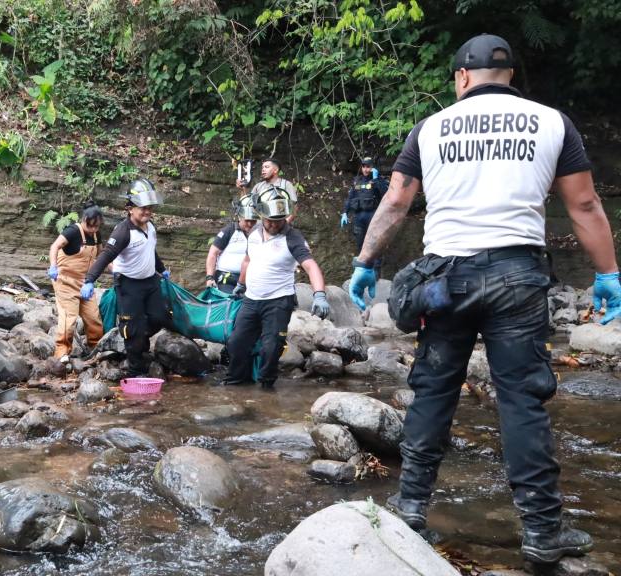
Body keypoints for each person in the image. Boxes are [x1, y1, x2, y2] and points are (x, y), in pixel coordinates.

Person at [347, 34, 621, 565]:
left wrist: (363, 263)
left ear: (461, 78)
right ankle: (542, 530)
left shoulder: (430, 128)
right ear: (510, 77)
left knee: (433, 393)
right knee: (521, 399)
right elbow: (584, 203)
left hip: (445, 279)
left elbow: (397, 200)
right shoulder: (551, 122)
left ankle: (410, 512)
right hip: (518, 277)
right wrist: (609, 273)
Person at [221, 185, 330, 388]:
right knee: (236, 342)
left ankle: (266, 385)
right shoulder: (253, 233)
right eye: (270, 220)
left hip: (278, 301)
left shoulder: (292, 237)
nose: (274, 224)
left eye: (278, 220)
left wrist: (319, 294)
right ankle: (236, 381)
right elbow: (247, 260)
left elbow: (310, 265)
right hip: (251, 300)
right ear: (261, 215)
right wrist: (240, 284)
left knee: (271, 347)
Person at [81, 178, 171, 377]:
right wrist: (89, 280)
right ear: (130, 208)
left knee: (160, 317)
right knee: (133, 329)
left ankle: (138, 340)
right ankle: (135, 372)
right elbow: (105, 256)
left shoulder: (150, 226)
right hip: (129, 286)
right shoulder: (123, 231)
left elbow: (151, 252)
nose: (147, 211)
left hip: (151, 282)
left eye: (149, 207)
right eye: (142, 208)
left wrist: (162, 269)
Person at [46, 204, 105, 363]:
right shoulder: (72, 231)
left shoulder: (96, 235)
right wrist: (53, 266)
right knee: (69, 317)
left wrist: (118, 270)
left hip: (86, 282)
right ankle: (62, 352)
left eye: (96, 226)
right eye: (90, 226)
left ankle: (95, 348)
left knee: (93, 317)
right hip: (65, 280)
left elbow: (101, 258)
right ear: (84, 220)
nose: (93, 229)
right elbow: (55, 246)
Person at [205, 194, 257, 294]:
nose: (250, 224)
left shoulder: (259, 233)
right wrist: (209, 277)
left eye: (253, 221)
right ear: (240, 216)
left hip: (251, 281)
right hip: (227, 279)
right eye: (247, 220)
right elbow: (213, 253)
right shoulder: (229, 230)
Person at [340, 156, 388, 254]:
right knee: (359, 244)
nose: (366, 169)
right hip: (359, 216)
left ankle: (375, 269)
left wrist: (375, 179)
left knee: (375, 245)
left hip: (373, 216)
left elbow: (385, 195)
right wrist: (345, 212)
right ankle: (362, 267)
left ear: (372, 167)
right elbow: (350, 197)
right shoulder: (357, 181)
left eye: (368, 167)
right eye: (364, 167)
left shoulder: (378, 180)